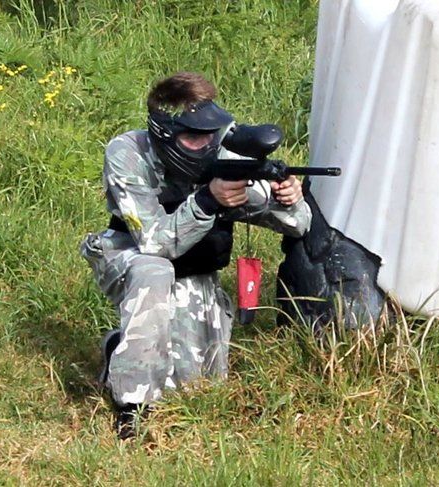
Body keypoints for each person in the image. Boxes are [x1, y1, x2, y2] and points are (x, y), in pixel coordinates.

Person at [80, 71, 312, 439]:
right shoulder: (127, 153)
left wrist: (288, 197)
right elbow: (155, 242)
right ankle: (132, 406)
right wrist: (207, 201)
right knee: (154, 272)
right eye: (193, 136)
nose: (205, 144)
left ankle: (117, 349)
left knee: (195, 386)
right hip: (130, 255)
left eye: (209, 134)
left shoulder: (225, 157)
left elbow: (298, 225)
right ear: (164, 132)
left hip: (192, 266)